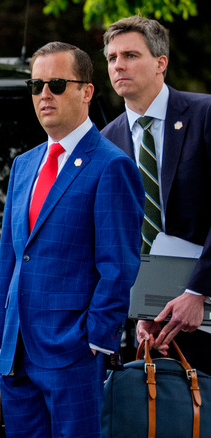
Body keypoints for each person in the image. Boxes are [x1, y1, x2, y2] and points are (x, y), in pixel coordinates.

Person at [0, 42, 144, 437]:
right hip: (16, 356)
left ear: (86, 91)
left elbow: (119, 265)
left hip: (74, 353)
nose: (44, 95)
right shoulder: (24, 164)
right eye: (36, 85)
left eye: (56, 84)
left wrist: (95, 340)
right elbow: (10, 259)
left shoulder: (112, 165)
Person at [101, 16, 211, 373]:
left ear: (161, 63)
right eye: (112, 57)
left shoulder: (204, 113)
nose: (118, 65)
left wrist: (198, 293)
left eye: (130, 55)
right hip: (148, 322)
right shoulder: (107, 141)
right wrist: (140, 312)